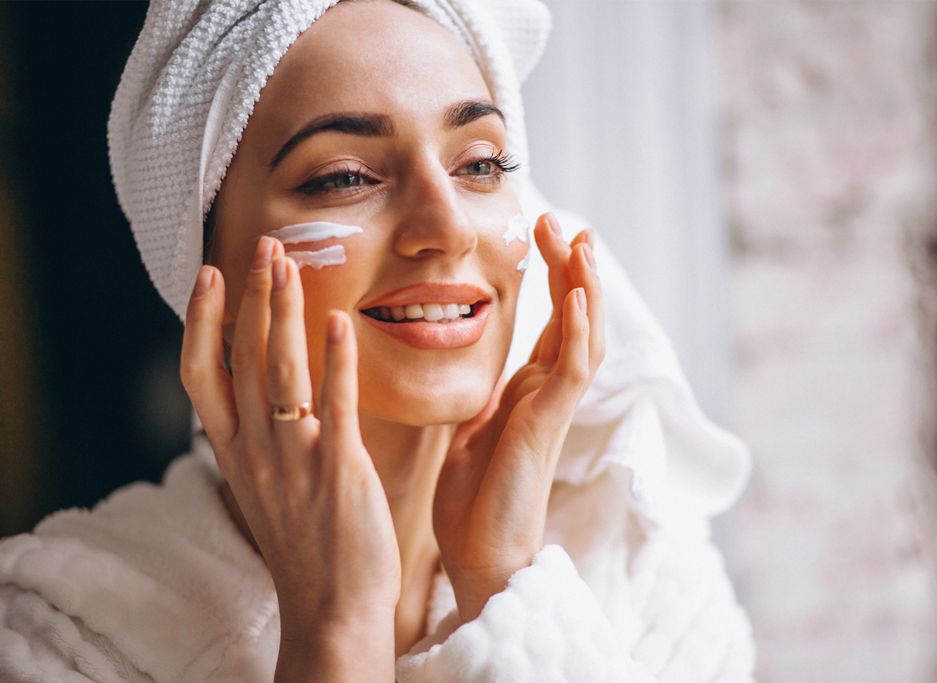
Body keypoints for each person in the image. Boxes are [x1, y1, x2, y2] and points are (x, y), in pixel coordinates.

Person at [0, 0, 756, 681]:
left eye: (481, 164)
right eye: (345, 177)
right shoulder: (61, 633)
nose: (449, 226)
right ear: (209, 273)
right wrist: (337, 628)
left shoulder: (650, 587)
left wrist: (502, 589)